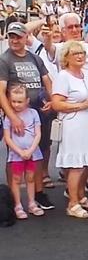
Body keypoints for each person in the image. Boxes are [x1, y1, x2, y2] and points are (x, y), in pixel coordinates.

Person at [0, 22, 55, 211]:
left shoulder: (34, 58)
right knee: (14, 155)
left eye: (18, 36)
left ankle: (38, 193)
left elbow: (46, 79)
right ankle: (13, 196)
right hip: (17, 114)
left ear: (26, 37)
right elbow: (1, 91)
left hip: (38, 112)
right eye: (11, 36)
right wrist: (12, 117)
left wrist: (52, 99)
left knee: (40, 151)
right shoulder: (5, 60)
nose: (14, 40)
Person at [51, 41, 88, 219]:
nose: (80, 56)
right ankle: (72, 203)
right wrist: (82, 105)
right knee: (76, 165)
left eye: (82, 53)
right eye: (75, 54)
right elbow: (57, 103)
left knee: (86, 163)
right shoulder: (63, 76)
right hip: (73, 124)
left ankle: (81, 196)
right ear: (67, 58)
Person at [3, 86, 44, 219]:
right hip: (17, 154)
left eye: (19, 102)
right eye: (13, 101)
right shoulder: (9, 117)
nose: (16, 105)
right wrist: (20, 151)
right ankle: (18, 205)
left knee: (30, 178)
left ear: (27, 101)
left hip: (31, 153)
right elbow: (7, 138)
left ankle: (32, 203)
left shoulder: (33, 113)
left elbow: (38, 134)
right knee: (16, 179)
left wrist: (31, 150)